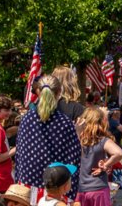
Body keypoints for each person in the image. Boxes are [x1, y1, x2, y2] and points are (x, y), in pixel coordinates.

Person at [16, 75, 81, 203]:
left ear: (38, 92)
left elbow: (20, 155)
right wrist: (71, 192)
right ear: (59, 93)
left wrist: (19, 182)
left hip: (28, 185)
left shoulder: (26, 119)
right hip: (55, 188)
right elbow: (73, 158)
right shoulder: (64, 122)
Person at [76, 107, 122, 205]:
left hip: (80, 188)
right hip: (98, 187)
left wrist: (78, 132)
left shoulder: (78, 140)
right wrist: (106, 164)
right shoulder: (102, 141)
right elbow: (119, 153)